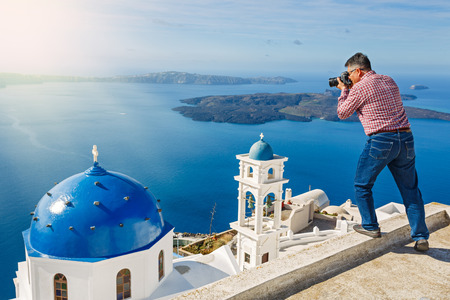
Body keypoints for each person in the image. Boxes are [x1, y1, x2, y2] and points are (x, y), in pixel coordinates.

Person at [335, 52, 429, 252]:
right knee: (411, 190)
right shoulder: (389, 80)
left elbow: (342, 113)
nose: (348, 77)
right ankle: (420, 236)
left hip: (381, 140)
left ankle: (370, 225)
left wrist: (344, 90)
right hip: (406, 138)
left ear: (358, 71)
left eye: (349, 73)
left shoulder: (359, 88)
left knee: (362, 185)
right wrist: (351, 86)